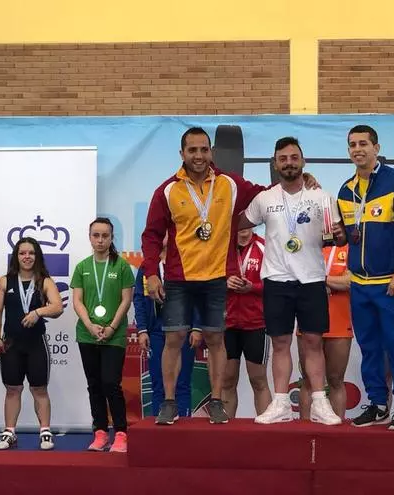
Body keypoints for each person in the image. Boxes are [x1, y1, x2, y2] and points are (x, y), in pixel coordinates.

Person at [141, 127, 317, 426]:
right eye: (192, 150)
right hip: (179, 277)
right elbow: (152, 235)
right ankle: (168, 403)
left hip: (216, 277)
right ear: (182, 153)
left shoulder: (229, 184)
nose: (199, 156)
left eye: (204, 149)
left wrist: (300, 181)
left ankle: (217, 402)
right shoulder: (167, 190)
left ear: (211, 151)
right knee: (174, 339)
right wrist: (150, 273)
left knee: (215, 339)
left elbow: (266, 194)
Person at [240, 136, 343, 425]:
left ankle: (320, 403)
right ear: (275, 164)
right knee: (281, 342)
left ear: (303, 161)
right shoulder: (265, 199)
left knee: (313, 342)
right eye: (283, 159)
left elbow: (338, 237)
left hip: (312, 279)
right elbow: (237, 224)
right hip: (276, 279)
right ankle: (281, 403)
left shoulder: (322, 197)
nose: (289, 163)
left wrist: (340, 235)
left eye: (294, 158)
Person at [338, 125, 394, 431]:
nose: (357, 149)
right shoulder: (345, 190)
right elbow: (349, 235)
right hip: (359, 284)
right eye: (352, 145)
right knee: (369, 346)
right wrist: (338, 235)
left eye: (363, 143)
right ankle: (377, 403)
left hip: (391, 282)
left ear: (376, 147)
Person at [0, 237, 64, 450]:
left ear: (37, 256)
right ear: (16, 256)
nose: (27, 257)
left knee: (39, 389)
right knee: (13, 389)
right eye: (22, 253)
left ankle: (45, 432)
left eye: (31, 253)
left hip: (36, 343)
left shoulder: (45, 281)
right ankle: (9, 432)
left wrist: (38, 312)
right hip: (11, 344)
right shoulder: (4, 281)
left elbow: (57, 307)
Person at [71, 218, 135, 453]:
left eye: (105, 236)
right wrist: (89, 325)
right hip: (87, 334)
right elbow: (77, 301)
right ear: (90, 237)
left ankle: (121, 433)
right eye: (96, 235)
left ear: (111, 238)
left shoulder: (122, 266)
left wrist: (111, 327)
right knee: (94, 385)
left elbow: (126, 300)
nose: (100, 240)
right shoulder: (82, 267)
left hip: (113, 335)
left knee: (111, 383)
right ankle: (100, 433)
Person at [134, 236, 203, 418]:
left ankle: (184, 428)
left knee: (182, 382)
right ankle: (160, 426)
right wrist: (142, 330)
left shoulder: (188, 261)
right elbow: (139, 299)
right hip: (157, 330)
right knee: (158, 383)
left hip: (183, 329)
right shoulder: (147, 268)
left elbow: (199, 296)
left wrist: (197, 327)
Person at [298, 242, 352, 419]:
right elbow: (297, 277)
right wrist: (334, 281)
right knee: (308, 380)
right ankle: (303, 430)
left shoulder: (350, 247)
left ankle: (337, 429)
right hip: (308, 317)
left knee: (336, 379)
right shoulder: (307, 245)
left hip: (339, 320)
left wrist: (319, 279)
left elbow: (349, 282)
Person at [221, 227, 271, 418]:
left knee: (258, 381)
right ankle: (225, 428)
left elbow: (276, 283)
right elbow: (208, 280)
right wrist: (224, 283)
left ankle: (266, 429)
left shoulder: (265, 247)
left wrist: (253, 287)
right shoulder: (223, 248)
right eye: (239, 221)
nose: (243, 226)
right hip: (227, 324)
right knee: (227, 381)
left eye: (246, 221)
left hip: (256, 323)